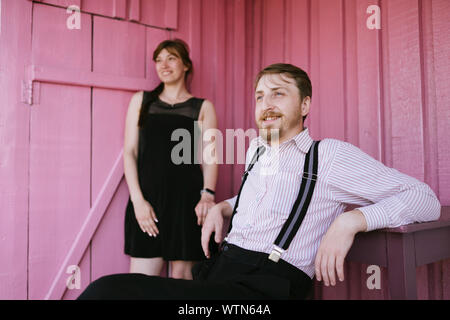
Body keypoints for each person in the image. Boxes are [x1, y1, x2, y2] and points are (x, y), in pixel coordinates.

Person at [78, 63, 440, 300]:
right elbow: (260, 198)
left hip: (266, 290)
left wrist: (353, 220)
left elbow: (424, 198)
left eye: (278, 93)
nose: (266, 103)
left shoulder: (330, 155)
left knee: (106, 295)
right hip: (219, 276)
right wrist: (223, 205)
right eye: (259, 96)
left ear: (305, 105)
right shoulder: (256, 150)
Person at [122, 38, 218, 280]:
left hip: (187, 204)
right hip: (148, 204)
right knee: (141, 286)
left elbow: (209, 158)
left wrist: (207, 194)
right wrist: (138, 201)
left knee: (183, 283)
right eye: (159, 60)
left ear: (185, 65)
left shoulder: (202, 107)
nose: (164, 64)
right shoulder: (141, 101)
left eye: (171, 58)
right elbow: (129, 152)